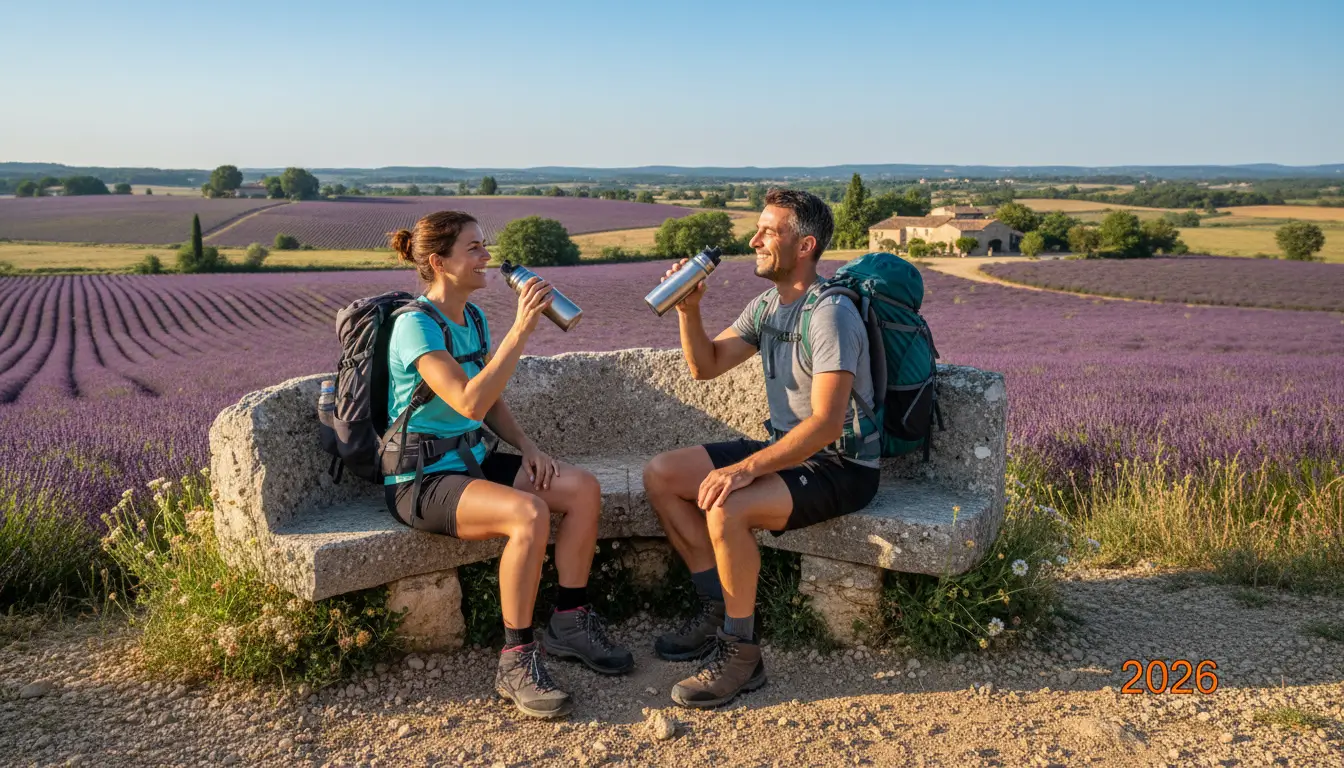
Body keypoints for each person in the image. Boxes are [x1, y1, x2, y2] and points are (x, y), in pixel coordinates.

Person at [385, 211, 632, 719]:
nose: (487, 257)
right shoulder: (414, 326)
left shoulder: (471, 317)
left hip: (472, 460)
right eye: (474, 249)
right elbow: (468, 402)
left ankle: (569, 620)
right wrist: (522, 328)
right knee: (528, 514)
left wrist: (528, 446)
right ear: (439, 262)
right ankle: (516, 659)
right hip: (422, 480)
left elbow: (491, 396)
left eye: (484, 245)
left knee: (582, 488)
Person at [642, 189, 880, 709]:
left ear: (805, 245)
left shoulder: (830, 314)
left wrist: (745, 469)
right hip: (788, 451)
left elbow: (824, 425)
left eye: (768, 232)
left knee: (727, 504)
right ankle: (714, 606)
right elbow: (705, 366)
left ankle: (741, 652)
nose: (754, 240)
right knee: (662, 474)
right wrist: (689, 310)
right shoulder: (768, 305)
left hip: (840, 465)